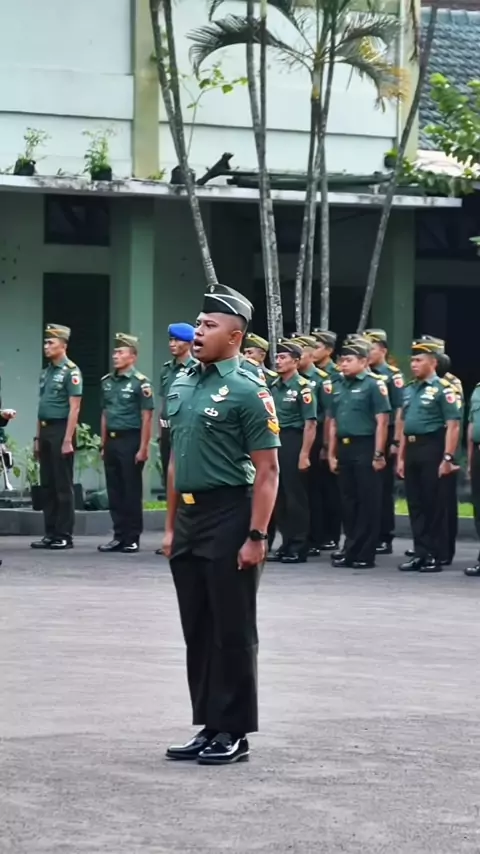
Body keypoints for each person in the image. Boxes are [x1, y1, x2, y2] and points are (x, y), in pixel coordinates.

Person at [162, 283, 279, 766]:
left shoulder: (250, 390)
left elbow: (268, 471)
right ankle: (209, 723)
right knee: (198, 627)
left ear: (234, 337)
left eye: (209, 325)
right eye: (198, 323)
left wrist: (257, 535)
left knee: (232, 629)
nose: (198, 331)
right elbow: (175, 460)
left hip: (231, 514)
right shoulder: (182, 382)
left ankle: (234, 731)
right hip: (190, 517)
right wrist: (171, 527)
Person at [397, 338, 461, 573]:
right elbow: (404, 424)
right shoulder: (409, 389)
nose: (413, 364)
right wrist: (401, 456)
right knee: (415, 503)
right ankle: (421, 552)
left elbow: (453, 425)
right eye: (412, 360)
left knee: (433, 503)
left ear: (433, 362)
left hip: (432, 447)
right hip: (412, 447)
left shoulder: (444, 389)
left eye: (419, 360)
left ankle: (436, 553)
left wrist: (448, 457)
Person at [328, 337, 390, 569]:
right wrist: (332, 453)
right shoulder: (339, 385)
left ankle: (365, 553)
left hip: (365, 446)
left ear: (364, 362)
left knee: (367, 501)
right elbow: (333, 422)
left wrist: (378, 453)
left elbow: (382, 421)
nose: (343, 364)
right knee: (348, 502)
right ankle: (351, 548)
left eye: (349, 360)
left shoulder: (374, 385)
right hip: (344, 447)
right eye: (342, 360)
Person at [98, 333, 154, 554]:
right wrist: (103, 443)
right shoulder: (107, 382)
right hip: (112, 440)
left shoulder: (141, 383)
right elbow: (105, 414)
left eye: (120, 352)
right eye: (115, 352)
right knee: (115, 491)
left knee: (131, 491)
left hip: (130, 440)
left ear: (133, 356)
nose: (115, 356)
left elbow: (147, 417)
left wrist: (143, 447)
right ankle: (118, 535)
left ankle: (132, 537)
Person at [31, 324, 82, 551]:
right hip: (45, 429)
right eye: (45, 342)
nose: (46, 346)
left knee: (62, 485)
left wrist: (68, 439)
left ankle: (64, 534)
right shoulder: (46, 372)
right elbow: (41, 407)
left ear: (63, 345)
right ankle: (50, 532)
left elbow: (74, 408)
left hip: (62, 429)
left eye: (51, 342)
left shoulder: (71, 371)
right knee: (47, 484)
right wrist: (37, 438)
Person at [268, 339, 317, 564]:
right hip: (274, 440)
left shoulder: (303, 387)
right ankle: (286, 543)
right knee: (279, 496)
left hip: (293, 440)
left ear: (296, 361)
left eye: (283, 357)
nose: (278, 361)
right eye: (277, 357)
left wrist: (304, 454)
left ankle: (299, 545)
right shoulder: (273, 386)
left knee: (295, 496)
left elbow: (310, 423)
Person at [364, 329, 404, 555]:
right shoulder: (363, 374)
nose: (368, 353)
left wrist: (396, 441)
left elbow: (399, 410)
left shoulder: (392, 376)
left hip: (386, 433)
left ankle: (384, 535)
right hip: (365, 433)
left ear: (383, 350)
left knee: (382, 488)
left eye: (372, 348)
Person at [293, 335, 331, 556]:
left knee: (315, 489)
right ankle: (302, 536)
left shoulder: (321, 379)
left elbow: (328, 413)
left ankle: (317, 536)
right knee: (299, 490)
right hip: (295, 437)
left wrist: (325, 445)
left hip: (315, 437)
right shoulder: (293, 380)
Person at [311, 329, 342, 551]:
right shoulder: (307, 372)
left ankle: (331, 534)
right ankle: (316, 533)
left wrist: (326, 444)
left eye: (317, 347)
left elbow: (331, 410)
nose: (313, 351)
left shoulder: (334, 374)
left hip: (326, 431)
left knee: (330, 489)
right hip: (309, 433)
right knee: (314, 489)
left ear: (329, 350)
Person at [158, 323, 196, 489]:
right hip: (168, 429)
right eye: (171, 340)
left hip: (187, 430)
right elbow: (163, 401)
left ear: (189, 343)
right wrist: (161, 432)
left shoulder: (196, 368)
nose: (172, 344)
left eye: (177, 340)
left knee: (186, 476)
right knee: (168, 476)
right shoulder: (166, 369)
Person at [465, 381, 480, 576]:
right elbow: (472, 426)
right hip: (478, 452)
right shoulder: (477, 389)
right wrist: (470, 461)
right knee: (479, 507)